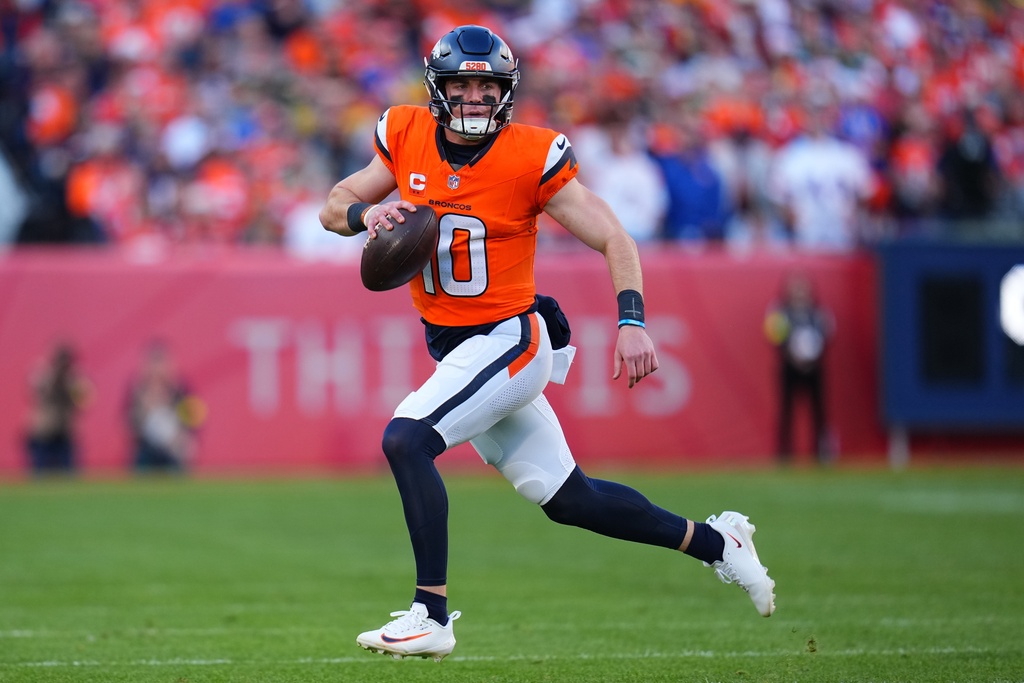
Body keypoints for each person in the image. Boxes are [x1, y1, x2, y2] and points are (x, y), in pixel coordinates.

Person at [319, 25, 776, 663]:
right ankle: (720, 545)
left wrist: (633, 320)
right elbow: (333, 204)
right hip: (460, 350)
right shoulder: (403, 134)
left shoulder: (530, 155)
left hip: (512, 338)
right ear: (439, 90)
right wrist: (365, 215)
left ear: (505, 92)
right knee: (571, 500)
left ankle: (431, 613)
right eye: (462, 84)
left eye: (487, 85)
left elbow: (615, 237)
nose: (475, 96)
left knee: (406, 438)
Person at [764, 272, 835, 465]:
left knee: (818, 410)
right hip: (789, 366)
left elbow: (827, 335)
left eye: (802, 288)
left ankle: (821, 451)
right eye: (795, 288)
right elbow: (774, 338)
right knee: (786, 410)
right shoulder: (780, 312)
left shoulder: (817, 313)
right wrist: (792, 355)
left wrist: (813, 355)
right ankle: (784, 453)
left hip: (814, 368)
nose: (799, 292)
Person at [125, 340, 204, 473]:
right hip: (147, 449)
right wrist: (144, 408)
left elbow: (193, 421)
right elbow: (128, 423)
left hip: (173, 449)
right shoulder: (138, 389)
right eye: (153, 363)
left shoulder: (180, 389)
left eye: (161, 363)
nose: (157, 369)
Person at [24, 342, 91, 474]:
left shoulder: (73, 378)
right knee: (40, 473)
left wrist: (71, 383)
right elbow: (36, 394)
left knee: (69, 473)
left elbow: (83, 402)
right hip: (44, 431)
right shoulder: (44, 373)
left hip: (65, 431)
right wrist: (54, 378)